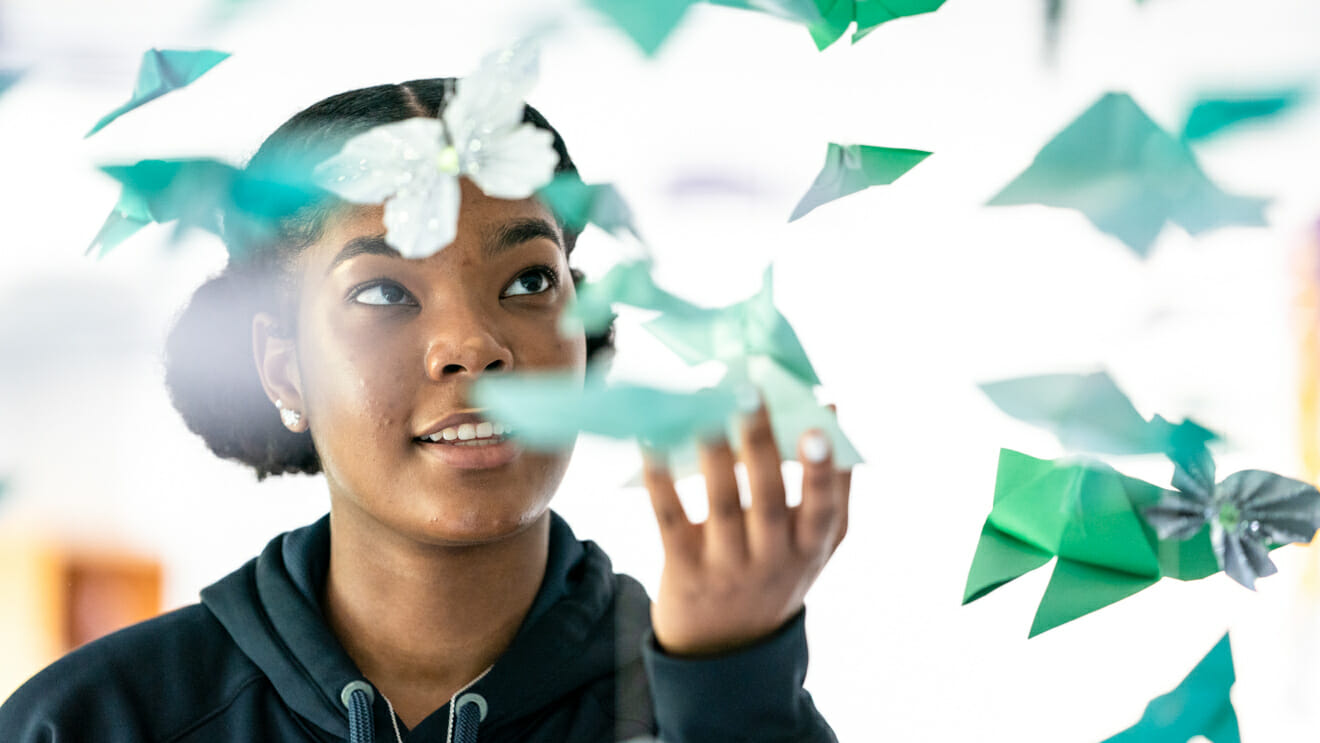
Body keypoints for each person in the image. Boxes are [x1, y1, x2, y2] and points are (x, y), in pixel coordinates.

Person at [0, 76, 852, 742]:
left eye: (528, 282)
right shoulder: (94, 721)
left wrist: (730, 686)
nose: (472, 343)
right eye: (382, 291)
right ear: (283, 368)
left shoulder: (720, 703)